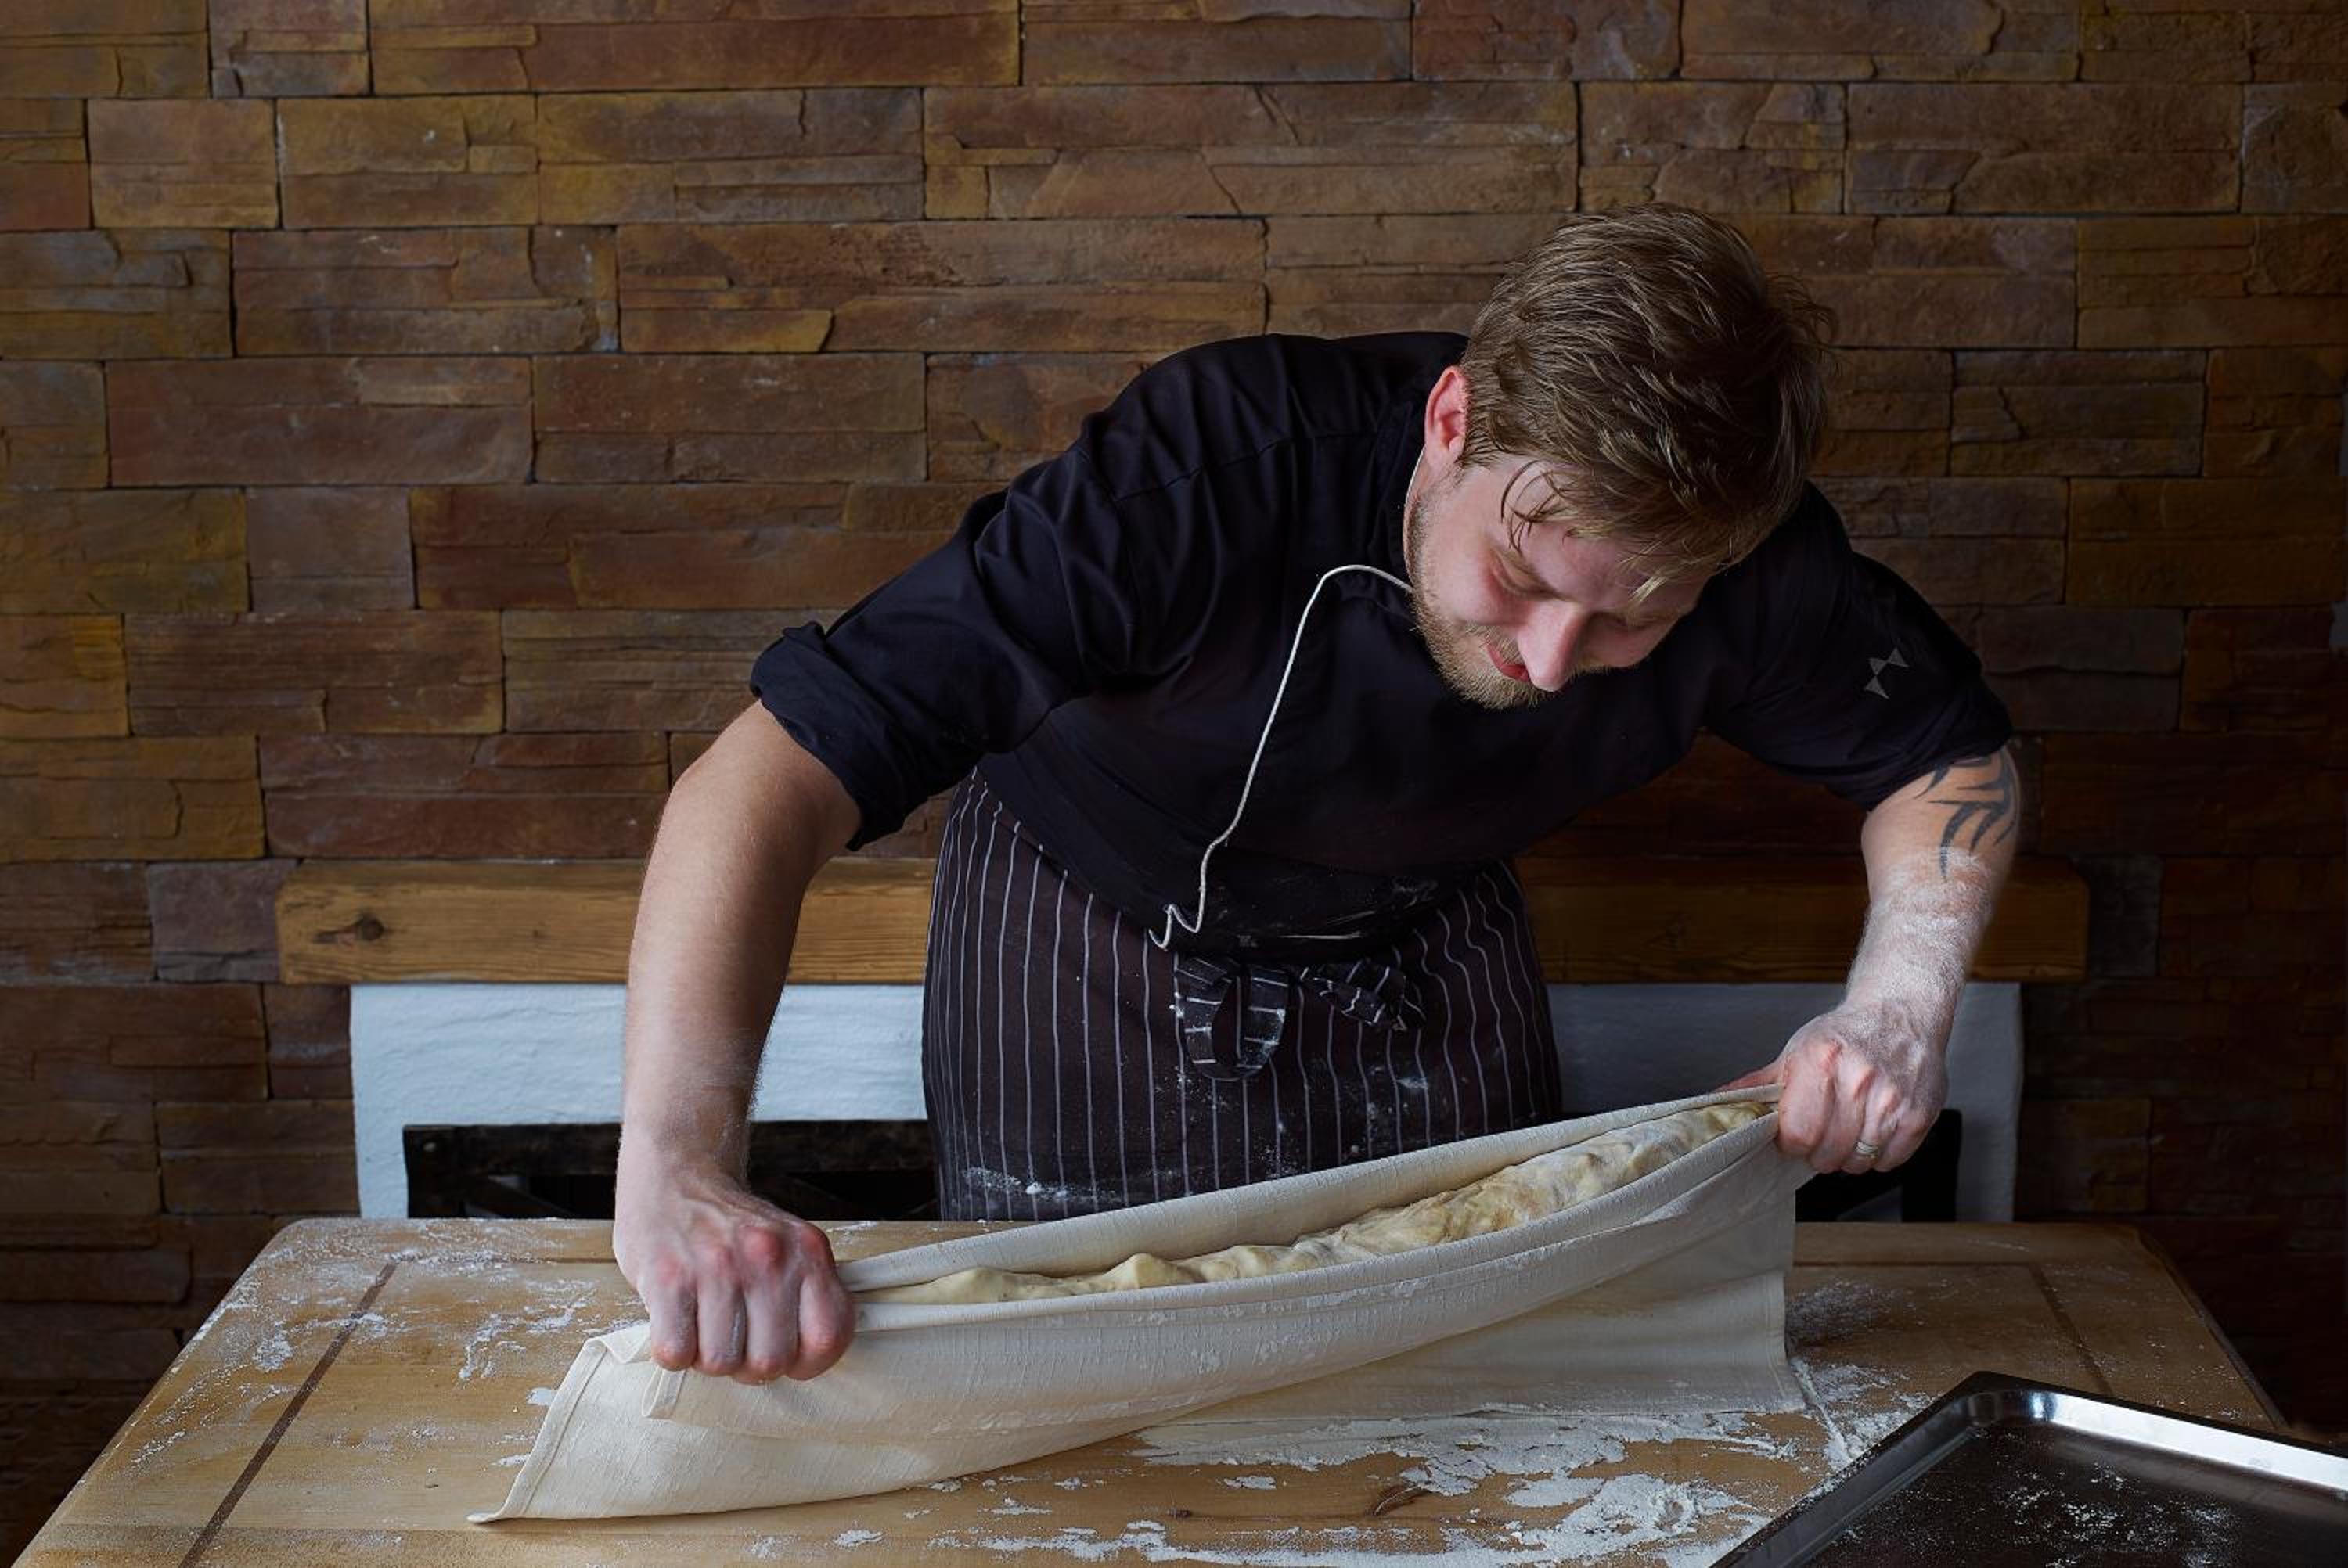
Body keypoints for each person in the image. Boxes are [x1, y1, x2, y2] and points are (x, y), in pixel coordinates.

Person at [610, 203, 2022, 1389]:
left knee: (1473, 1371)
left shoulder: (1759, 569)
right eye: (1520, 579)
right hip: (1090, 932)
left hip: (1430, 933)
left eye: (1631, 623)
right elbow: (763, 778)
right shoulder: (1204, 470)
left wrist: (1897, 1007)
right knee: (1073, 1385)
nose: (1550, 664)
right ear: (1453, 421)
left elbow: (1947, 757)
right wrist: (677, 1162)